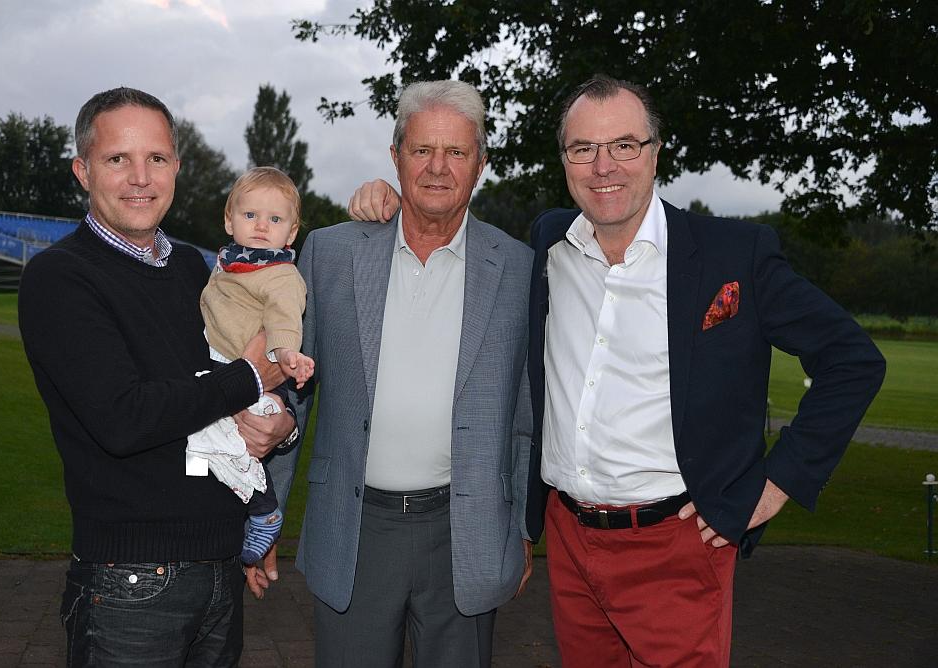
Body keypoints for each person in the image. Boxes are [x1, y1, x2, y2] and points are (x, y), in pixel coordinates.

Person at [346, 74, 886, 667]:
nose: (604, 166)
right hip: (569, 544)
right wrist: (391, 201)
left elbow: (852, 361)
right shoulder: (548, 244)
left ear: (655, 152)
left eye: (624, 145)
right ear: (565, 161)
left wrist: (775, 484)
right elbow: (447, 223)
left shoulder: (732, 255)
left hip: (676, 547)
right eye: (583, 148)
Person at [256, 80, 534, 667]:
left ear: (480, 164)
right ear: (395, 156)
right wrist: (265, 516)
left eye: (456, 152)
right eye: (422, 149)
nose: (438, 167)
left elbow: (525, 416)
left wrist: (524, 527)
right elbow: (290, 394)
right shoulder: (331, 253)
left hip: (466, 533)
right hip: (354, 530)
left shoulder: (517, 267)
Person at [18, 87, 296, 667]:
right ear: (83, 170)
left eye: (157, 158)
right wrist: (249, 378)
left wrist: (281, 424)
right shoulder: (59, 278)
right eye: (118, 158)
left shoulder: (197, 268)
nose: (141, 177)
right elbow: (126, 417)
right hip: (131, 583)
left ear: (176, 167)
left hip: (223, 567)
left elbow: (250, 370)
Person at [192, 166, 314, 566]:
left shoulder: (281, 274)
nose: (262, 226)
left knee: (235, 444)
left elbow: (284, 318)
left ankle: (264, 509)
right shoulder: (230, 262)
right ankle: (201, 498)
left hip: (257, 377)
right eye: (250, 215)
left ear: (291, 233)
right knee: (201, 442)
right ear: (229, 221)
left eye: (275, 219)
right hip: (217, 364)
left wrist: (286, 354)